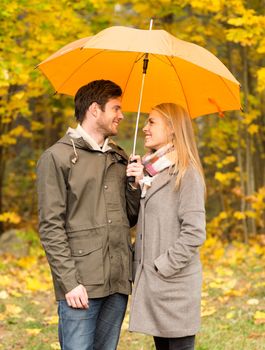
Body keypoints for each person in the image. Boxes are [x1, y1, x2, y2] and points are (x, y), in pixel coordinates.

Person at [37, 79, 143, 350]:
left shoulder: (119, 158)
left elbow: (129, 219)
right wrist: (69, 283)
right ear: (95, 110)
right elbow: (51, 227)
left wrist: (134, 185)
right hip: (81, 284)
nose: (121, 115)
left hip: (118, 281)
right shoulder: (57, 157)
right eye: (115, 108)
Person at [128, 103, 206, 350]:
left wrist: (164, 266)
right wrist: (138, 185)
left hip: (175, 285)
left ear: (173, 129)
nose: (144, 127)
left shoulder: (187, 173)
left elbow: (194, 233)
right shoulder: (152, 173)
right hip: (154, 284)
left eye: (152, 122)